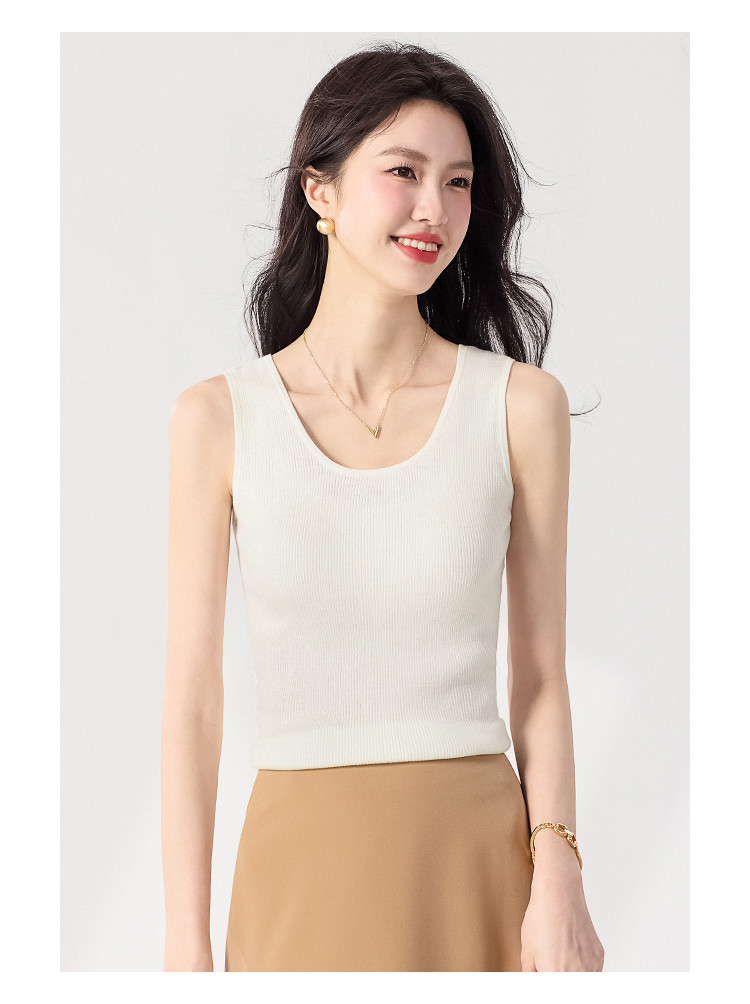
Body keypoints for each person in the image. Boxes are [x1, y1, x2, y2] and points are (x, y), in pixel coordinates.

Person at [161, 40, 605, 973]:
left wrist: (559, 870)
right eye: (403, 172)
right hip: (296, 866)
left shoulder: (520, 406)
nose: (433, 209)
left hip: (476, 861)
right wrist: (183, 948)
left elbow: (539, 676)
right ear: (320, 191)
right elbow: (194, 703)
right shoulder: (218, 418)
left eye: (458, 182)